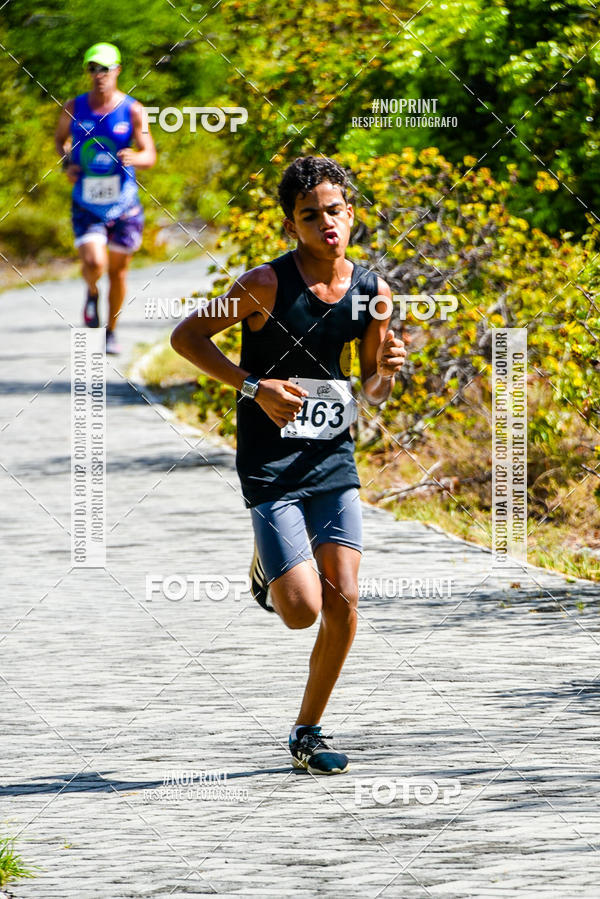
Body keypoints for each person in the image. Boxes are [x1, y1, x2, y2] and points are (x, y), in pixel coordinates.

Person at [171, 156, 406, 774]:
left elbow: (373, 393)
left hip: (332, 457)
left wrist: (386, 370)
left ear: (351, 214)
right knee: (300, 611)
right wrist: (255, 389)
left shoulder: (373, 293)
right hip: (271, 460)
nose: (326, 222)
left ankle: (308, 732)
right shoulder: (265, 285)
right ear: (292, 225)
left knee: (345, 600)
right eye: (310, 215)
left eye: (334, 210)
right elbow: (186, 338)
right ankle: (267, 567)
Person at [55, 42, 156, 354]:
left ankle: (111, 330)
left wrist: (134, 157)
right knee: (94, 262)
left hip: (124, 204)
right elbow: (61, 140)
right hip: (86, 200)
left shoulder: (133, 109)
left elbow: (150, 154)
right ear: (88, 72)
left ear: (117, 71)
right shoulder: (74, 107)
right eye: (93, 68)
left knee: (118, 271)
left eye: (105, 68)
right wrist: (67, 162)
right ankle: (91, 289)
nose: (99, 74)